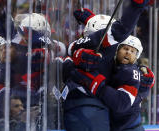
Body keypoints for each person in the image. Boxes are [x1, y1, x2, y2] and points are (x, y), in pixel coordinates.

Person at [61, 0, 155, 131]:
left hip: (112, 119)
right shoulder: (104, 47)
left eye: (132, 50)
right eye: (123, 47)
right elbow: (114, 32)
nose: (126, 51)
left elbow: (123, 102)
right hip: (101, 116)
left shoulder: (76, 47)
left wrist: (95, 84)